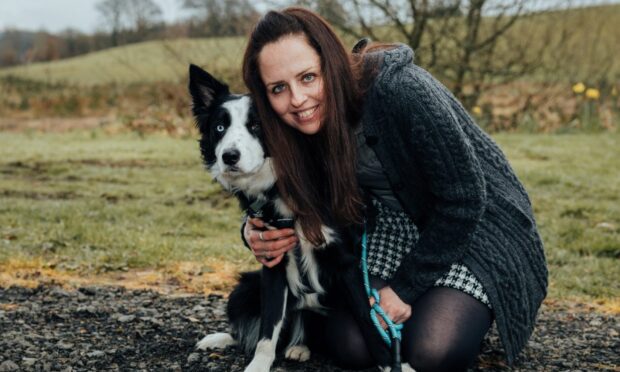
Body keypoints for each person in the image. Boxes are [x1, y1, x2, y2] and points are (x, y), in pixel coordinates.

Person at [239, 7, 548, 371]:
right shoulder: (292, 127)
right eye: (278, 88)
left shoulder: (401, 90)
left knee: (433, 349)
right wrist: (252, 231)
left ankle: (464, 307)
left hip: (477, 230)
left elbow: (465, 200)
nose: (297, 99)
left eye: (308, 77)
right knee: (351, 345)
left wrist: (404, 288)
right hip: (391, 230)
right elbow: (275, 195)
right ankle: (429, 305)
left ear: (331, 62)